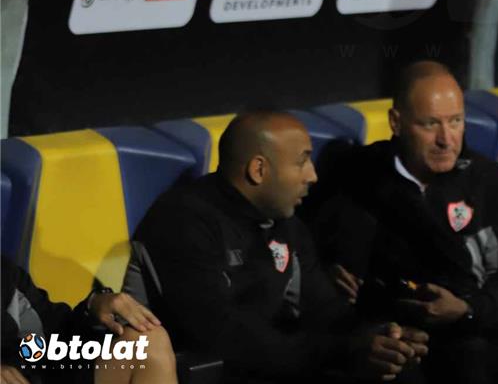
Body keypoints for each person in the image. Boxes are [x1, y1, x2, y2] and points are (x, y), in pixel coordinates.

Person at [131, 110, 428, 383]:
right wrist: (344, 351)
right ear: (258, 169)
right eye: (301, 162)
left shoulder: (285, 224)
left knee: (399, 372)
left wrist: (379, 336)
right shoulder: (183, 220)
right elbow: (222, 335)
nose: (312, 175)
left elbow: (325, 309)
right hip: (209, 370)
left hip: (272, 365)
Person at [310, 62, 498, 384]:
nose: (446, 139)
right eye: (430, 124)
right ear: (396, 122)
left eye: (455, 121)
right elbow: (307, 255)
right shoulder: (356, 173)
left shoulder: (490, 182)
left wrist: (466, 309)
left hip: (472, 339)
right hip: (385, 339)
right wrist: (328, 272)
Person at [1, 256, 175, 384]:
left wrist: (93, 307)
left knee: (147, 341)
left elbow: (51, 336)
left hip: (33, 373)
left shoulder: (6, 276)